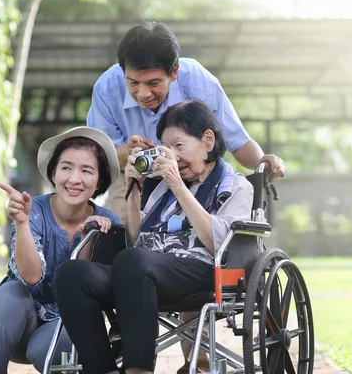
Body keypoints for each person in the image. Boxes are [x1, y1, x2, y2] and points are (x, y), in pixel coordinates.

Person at [87, 20, 284, 372]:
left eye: (154, 83)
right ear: (122, 73)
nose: (143, 93)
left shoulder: (198, 81)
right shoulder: (107, 88)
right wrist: (127, 154)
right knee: (119, 243)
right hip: (131, 173)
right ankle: (127, 331)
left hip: (198, 175)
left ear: (174, 73)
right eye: (133, 83)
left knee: (187, 243)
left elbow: (235, 140)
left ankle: (198, 355)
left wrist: (263, 165)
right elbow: (97, 156)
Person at [53, 100, 254, 374]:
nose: (173, 156)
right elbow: (136, 241)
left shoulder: (236, 186)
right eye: (167, 148)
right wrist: (134, 191)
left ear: (208, 140)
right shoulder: (160, 188)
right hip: (143, 273)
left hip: (205, 270)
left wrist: (177, 185)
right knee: (72, 273)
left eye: (179, 146)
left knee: (134, 261)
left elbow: (219, 243)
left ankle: (139, 369)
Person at [0, 127, 121, 374]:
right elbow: (31, 277)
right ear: (53, 173)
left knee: (57, 345)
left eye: (86, 170)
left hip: (62, 330)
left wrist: (90, 238)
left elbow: (88, 289)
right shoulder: (34, 210)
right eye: (66, 168)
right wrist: (22, 223)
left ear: (99, 181)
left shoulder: (107, 222)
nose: (74, 178)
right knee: (10, 294)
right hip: (16, 324)